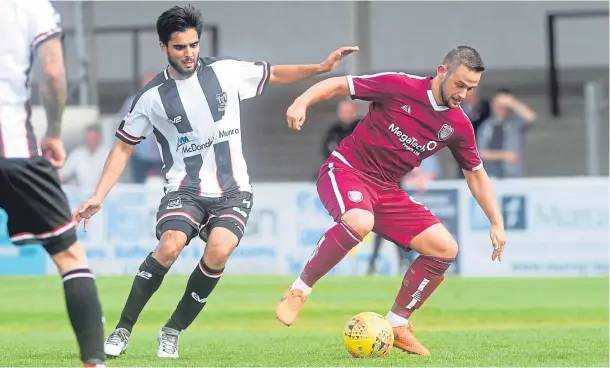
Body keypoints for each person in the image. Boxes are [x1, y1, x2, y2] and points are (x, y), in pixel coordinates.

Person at [72, 5, 357, 359]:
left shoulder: (226, 71)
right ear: (164, 47)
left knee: (220, 249)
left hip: (234, 189)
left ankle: (172, 330)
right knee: (170, 246)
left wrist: (319, 68)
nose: (189, 53)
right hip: (185, 189)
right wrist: (99, 195)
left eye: (193, 44)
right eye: (180, 47)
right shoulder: (151, 98)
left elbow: (274, 74)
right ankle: (123, 329)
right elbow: (122, 148)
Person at [276, 46, 507, 356]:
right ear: (442, 72)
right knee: (360, 221)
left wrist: (496, 221)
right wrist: (301, 101)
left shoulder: (459, 125)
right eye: (459, 84)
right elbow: (340, 84)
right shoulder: (400, 86)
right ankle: (298, 291)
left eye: (471, 88)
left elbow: (476, 175)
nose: (463, 94)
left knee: (444, 248)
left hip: (387, 190)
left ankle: (397, 323)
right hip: (347, 169)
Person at [0, 0, 105, 367]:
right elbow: (53, 72)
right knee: (70, 256)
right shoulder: (32, 7)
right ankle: (94, 361)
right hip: (13, 150)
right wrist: (55, 133)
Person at [476, 89, 536, 178]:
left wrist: (512, 102)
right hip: (490, 176)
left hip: (514, 175)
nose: (502, 106)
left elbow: (531, 118)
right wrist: (505, 155)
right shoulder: (486, 126)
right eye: (498, 103)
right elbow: (480, 153)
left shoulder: (515, 123)